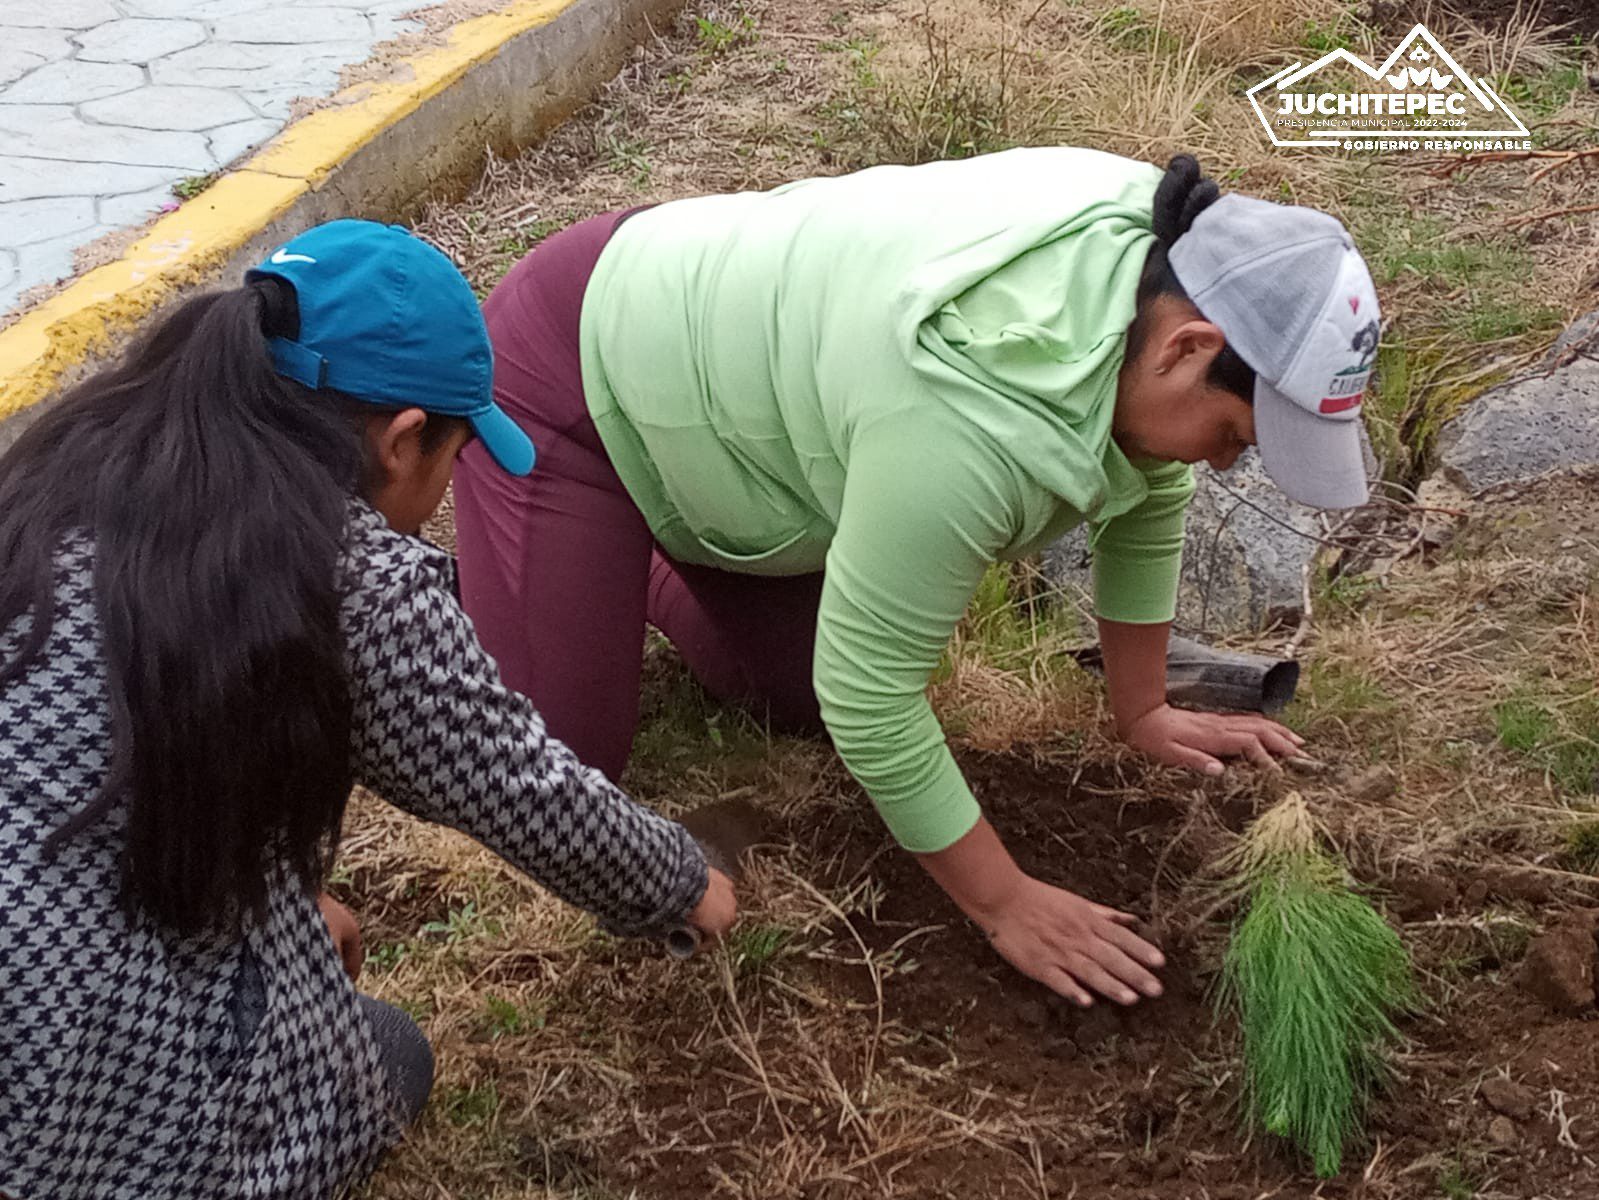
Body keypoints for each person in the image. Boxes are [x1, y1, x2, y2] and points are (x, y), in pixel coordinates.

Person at [452, 150, 1381, 1011]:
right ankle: (569, 541)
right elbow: (870, 696)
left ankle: (636, 559)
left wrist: (1140, 712)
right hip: (580, 361)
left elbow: (1148, 492)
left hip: (735, 417)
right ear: (1186, 348)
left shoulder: (1175, 269)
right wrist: (1003, 901)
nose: (1223, 466)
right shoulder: (968, 413)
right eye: (1233, 436)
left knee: (784, 693)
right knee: (558, 766)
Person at [0, 220, 736, 1200]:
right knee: (385, 1055)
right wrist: (687, 886)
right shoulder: (342, 576)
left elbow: (114, 758)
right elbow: (520, 784)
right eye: (455, 458)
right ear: (401, 442)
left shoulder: (73, 469)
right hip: (55, 1079)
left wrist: (282, 904)